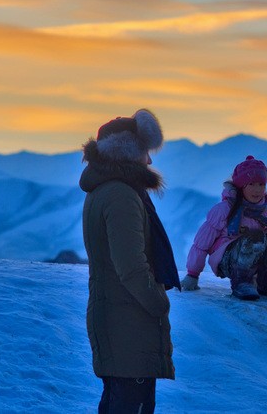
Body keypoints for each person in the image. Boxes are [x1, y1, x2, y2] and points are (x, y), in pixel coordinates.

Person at [80, 109, 178, 413]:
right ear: (130, 152)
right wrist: (158, 303)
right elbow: (131, 267)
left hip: (118, 319)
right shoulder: (122, 195)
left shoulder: (105, 190)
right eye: (144, 152)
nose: (149, 161)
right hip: (128, 324)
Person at [182, 155, 267, 300]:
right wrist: (192, 274)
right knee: (255, 237)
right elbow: (201, 244)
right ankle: (241, 282)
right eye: (252, 184)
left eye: (261, 185)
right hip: (227, 261)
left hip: (253, 258)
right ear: (241, 186)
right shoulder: (224, 210)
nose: (257, 190)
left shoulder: (264, 212)